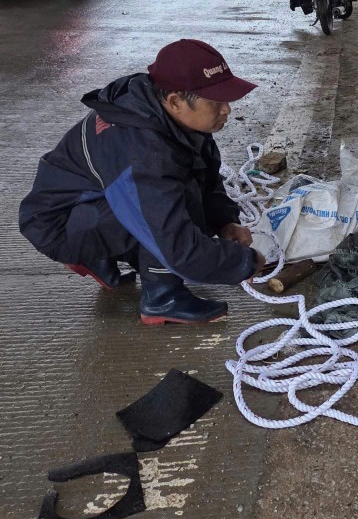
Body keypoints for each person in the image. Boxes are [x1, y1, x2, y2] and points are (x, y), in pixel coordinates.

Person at [19, 39, 266, 325]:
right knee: (175, 205)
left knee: (177, 193)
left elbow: (207, 175)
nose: (227, 110)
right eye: (216, 102)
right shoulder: (143, 152)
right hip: (57, 225)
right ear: (175, 101)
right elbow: (178, 247)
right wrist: (246, 263)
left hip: (87, 207)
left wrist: (225, 221)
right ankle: (162, 298)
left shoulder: (163, 115)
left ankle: (100, 256)